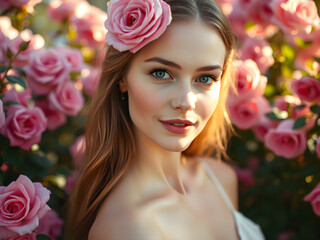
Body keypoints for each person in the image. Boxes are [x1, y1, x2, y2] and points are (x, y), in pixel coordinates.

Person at [65, 0, 265, 239]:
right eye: (161, 73)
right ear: (122, 79)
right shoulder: (124, 229)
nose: (186, 101)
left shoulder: (221, 179)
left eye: (206, 78)